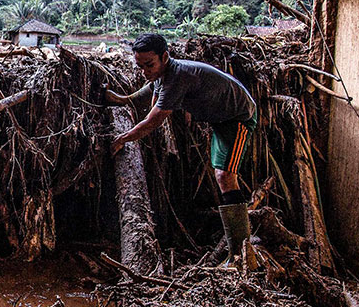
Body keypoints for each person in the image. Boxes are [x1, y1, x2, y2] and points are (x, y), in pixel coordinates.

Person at [107, 33, 258, 267]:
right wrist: (121, 100)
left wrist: (124, 138)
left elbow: (154, 120)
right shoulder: (162, 74)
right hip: (221, 121)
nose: (145, 71)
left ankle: (241, 253)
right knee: (223, 176)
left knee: (226, 176)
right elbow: (148, 93)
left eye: (149, 65)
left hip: (238, 117)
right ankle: (239, 248)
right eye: (140, 66)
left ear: (165, 57)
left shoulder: (177, 77)